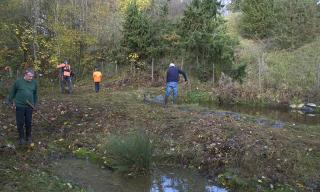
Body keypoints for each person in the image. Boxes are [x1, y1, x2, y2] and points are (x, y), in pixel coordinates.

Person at [8, 69, 38, 145]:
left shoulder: (34, 83)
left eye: (32, 76)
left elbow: (35, 94)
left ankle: (28, 136)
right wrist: (11, 102)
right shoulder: (18, 82)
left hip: (29, 106)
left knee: (28, 121)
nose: (31, 78)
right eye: (29, 76)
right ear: (25, 75)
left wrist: (35, 104)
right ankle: (21, 137)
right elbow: (12, 92)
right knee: (20, 122)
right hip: (19, 105)